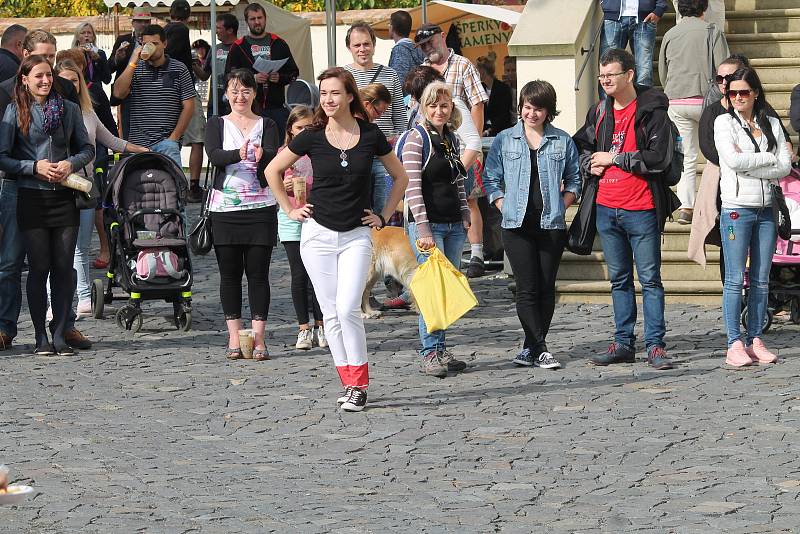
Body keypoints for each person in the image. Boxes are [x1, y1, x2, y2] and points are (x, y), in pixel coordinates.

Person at [265, 67, 410, 412]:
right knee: (330, 313)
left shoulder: (371, 134)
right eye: (324, 94)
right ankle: (348, 382)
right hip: (317, 236)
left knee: (348, 309)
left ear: (349, 96)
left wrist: (384, 214)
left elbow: (400, 176)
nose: (328, 100)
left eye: (335, 93)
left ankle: (359, 384)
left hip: (357, 235)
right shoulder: (311, 136)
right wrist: (288, 209)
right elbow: (272, 170)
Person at [573, 48, 679, 370]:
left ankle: (655, 345)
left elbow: (658, 158)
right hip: (607, 208)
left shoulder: (652, 111)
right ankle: (623, 343)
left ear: (629, 75)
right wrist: (586, 164)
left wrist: (615, 158)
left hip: (641, 208)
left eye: (611, 75)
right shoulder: (599, 111)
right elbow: (583, 145)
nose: (604, 80)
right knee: (618, 280)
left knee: (649, 279)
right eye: (601, 75)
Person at [0, 30, 88, 353]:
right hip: (30, 195)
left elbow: (87, 148)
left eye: (49, 74)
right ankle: (39, 336)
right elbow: (3, 157)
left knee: (63, 267)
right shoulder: (14, 109)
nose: (46, 80)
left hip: (64, 196)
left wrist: (69, 163)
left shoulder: (67, 107)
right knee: (36, 266)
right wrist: (33, 167)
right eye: (39, 75)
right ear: (24, 77)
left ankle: (61, 332)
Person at [484, 80, 582, 371]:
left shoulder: (562, 141)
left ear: (548, 111)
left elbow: (575, 179)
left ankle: (531, 347)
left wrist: (563, 203)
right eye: (528, 107)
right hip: (516, 225)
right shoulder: (505, 139)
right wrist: (502, 204)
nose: (532, 114)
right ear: (520, 107)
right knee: (526, 287)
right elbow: (491, 179)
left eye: (538, 109)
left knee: (545, 287)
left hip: (550, 224)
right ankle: (540, 348)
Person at [53, 59, 148, 317]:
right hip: (57, 187)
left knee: (80, 247)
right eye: (64, 80)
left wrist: (141, 150)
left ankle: (84, 297)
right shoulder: (51, 114)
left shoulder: (87, 113)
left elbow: (111, 140)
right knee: (57, 249)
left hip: (84, 187)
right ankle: (55, 303)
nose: (70, 85)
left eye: (74, 80)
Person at [713, 68, 791, 367]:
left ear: (755, 93)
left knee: (760, 280)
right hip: (737, 207)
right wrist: (769, 159)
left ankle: (755, 338)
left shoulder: (770, 122)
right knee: (735, 279)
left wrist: (755, 165)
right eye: (732, 93)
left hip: (766, 207)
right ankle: (734, 342)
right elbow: (731, 161)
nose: (738, 98)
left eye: (744, 92)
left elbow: (784, 166)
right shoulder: (724, 123)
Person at [691, 54, 794, 279]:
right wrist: (765, 158)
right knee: (728, 255)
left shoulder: (764, 112)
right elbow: (713, 153)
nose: (725, 83)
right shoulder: (714, 114)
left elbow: (784, 149)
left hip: (763, 195)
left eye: (730, 77)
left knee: (762, 262)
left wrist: (746, 161)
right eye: (720, 79)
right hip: (723, 190)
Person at [205, 69, 281, 361]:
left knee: (259, 275)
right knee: (230, 275)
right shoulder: (217, 123)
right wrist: (239, 153)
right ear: (226, 93)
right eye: (235, 91)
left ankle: (259, 338)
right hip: (225, 208)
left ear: (254, 94)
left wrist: (265, 155)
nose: (240, 96)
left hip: (260, 207)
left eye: (246, 91)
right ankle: (235, 337)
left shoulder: (268, 123)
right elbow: (214, 155)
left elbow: (276, 155)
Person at [401, 81, 471, 378]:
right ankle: (429, 352)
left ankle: (441, 347)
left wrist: (465, 212)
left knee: (446, 288)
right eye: (433, 105)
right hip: (428, 225)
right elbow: (412, 186)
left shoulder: (451, 138)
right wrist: (423, 228)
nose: (439, 111)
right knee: (431, 289)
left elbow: (457, 179)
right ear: (423, 108)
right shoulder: (417, 139)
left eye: (444, 105)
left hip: (454, 222)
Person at [416, 23, 489, 278]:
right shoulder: (424, 70)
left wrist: (475, 142)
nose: (428, 48)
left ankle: (477, 252)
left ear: (442, 37)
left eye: (430, 42)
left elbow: (478, 103)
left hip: (463, 143)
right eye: (423, 45)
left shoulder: (462, 64)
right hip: (435, 147)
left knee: (469, 197)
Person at [658, 0, 729, 224]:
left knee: (687, 155)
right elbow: (724, 69)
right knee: (717, 154)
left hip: (676, 100)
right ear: (705, 8)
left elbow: (662, 71)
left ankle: (686, 207)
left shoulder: (670, 34)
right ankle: (717, 203)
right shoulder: (712, 30)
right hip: (705, 100)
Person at [112, 24, 196, 168]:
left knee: (173, 187)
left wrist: (174, 138)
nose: (149, 47)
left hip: (167, 143)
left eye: (154, 44)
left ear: (165, 44)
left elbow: (189, 106)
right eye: (145, 44)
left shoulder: (179, 68)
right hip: (138, 145)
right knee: (138, 187)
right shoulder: (135, 69)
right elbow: (118, 93)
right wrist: (132, 62)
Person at [344, 22, 406, 216]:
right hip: (352, 154)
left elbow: (400, 118)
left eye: (366, 44)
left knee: (385, 210)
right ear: (349, 48)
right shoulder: (342, 76)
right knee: (356, 210)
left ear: (373, 45)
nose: (362, 49)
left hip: (384, 155)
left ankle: (383, 245)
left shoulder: (390, 75)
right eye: (357, 45)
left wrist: (397, 147)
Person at [278, 105, 326, 351]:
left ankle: (321, 325)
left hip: (317, 217)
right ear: (290, 129)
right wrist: (283, 185)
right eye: (299, 128)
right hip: (291, 221)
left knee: (318, 275)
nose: (303, 132)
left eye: (308, 127)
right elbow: (271, 180)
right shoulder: (284, 152)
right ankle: (303, 328)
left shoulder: (319, 150)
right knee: (299, 275)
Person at [225, 2, 299, 140]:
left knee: (279, 149)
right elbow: (229, 76)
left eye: (260, 18)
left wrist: (280, 78)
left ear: (265, 19)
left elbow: (294, 72)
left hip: (277, 108)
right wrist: (252, 78)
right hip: (249, 109)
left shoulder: (279, 43)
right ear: (247, 21)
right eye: (253, 19)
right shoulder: (238, 46)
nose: (257, 22)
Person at [165, 0, 206, 203]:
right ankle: (194, 187)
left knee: (173, 138)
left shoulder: (164, 31)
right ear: (188, 16)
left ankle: (171, 182)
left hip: (167, 90)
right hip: (184, 90)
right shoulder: (181, 29)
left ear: (170, 13)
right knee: (197, 138)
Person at [598, 0, 667, 88]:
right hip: (613, 16)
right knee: (607, 66)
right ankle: (606, 102)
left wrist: (659, 9)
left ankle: (644, 101)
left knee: (644, 69)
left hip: (645, 18)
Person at [201, 13, 238, 118]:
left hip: (235, 103)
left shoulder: (241, 47)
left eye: (218, 28)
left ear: (230, 30)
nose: (215, 31)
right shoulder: (215, 48)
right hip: (215, 103)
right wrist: (193, 64)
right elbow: (204, 75)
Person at [475, 53, 513, 136]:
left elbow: (504, 115)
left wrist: (488, 131)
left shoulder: (503, 88)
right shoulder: (480, 88)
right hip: (483, 131)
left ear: (483, 71)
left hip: (501, 132)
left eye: (476, 70)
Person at [387, 10, 424, 96]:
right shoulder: (418, 48)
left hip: (405, 105)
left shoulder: (400, 50)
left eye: (389, 24)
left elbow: (397, 84)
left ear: (392, 27)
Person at [108, 8, 151, 80]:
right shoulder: (122, 40)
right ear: (132, 23)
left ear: (150, 23)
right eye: (139, 21)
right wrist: (117, 59)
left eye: (146, 21)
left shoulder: (154, 42)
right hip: (124, 85)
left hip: (147, 87)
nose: (143, 24)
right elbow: (109, 69)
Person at [71, 22, 111, 86]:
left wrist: (97, 59)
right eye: (83, 33)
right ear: (77, 37)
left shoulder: (100, 53)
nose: (86, 35)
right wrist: (78, 55)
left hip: (96, 92)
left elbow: (107, 79)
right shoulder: (72, 54)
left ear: (93, 37)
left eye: (89, 33)